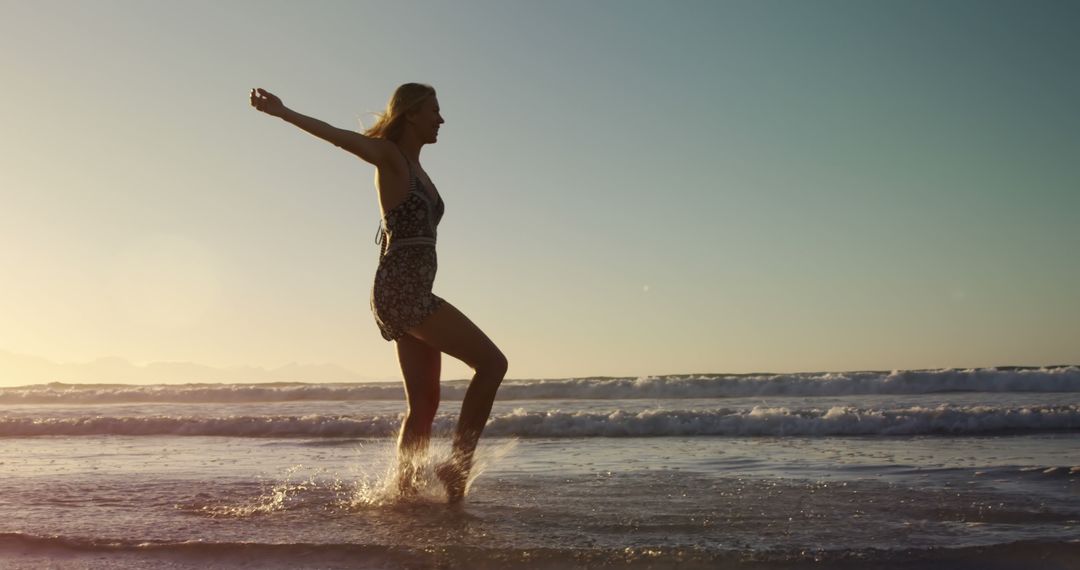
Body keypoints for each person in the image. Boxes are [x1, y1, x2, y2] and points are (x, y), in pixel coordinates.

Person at [249, 84, 507, 503]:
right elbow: (337, 135)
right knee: (493, 364)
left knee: (424, 404)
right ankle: (457, 465)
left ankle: (404, 493)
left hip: (409, 289)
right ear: (410, 115)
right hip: (403, 292)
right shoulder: (391, 158)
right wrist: (284, 112)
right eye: (434, 111)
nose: (441, 120)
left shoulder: (418, 168)